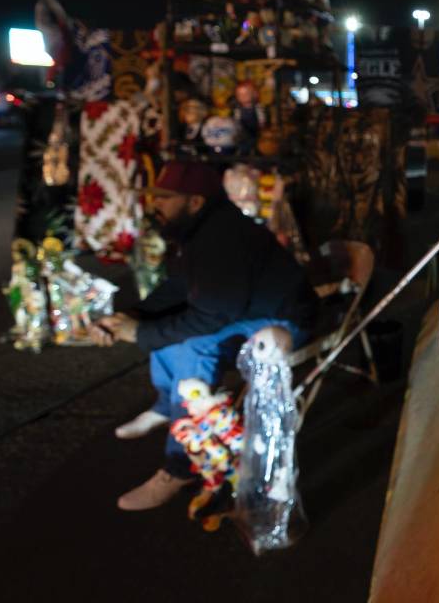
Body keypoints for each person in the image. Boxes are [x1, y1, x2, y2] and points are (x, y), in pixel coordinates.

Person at [91, 160, 317, 511]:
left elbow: (212, 316)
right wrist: (137, 316)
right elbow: (179, 287)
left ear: (194, 201)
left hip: (282, 320)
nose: (156, 207)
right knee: (168, 331)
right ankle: (169, 405)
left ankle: (180, 466)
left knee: (194, 346)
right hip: (246, 311)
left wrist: (139, 332)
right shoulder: (198, 230)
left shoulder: (221, 236)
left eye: (166, 198)